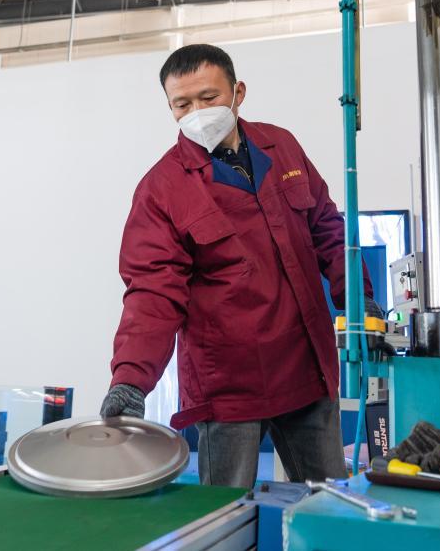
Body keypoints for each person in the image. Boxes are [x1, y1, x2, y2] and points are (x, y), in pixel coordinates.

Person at [100, 44, 383, 488]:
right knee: (226, 513)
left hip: (306, 371)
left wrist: (360, 300)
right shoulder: (161, 189)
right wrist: (131, 380)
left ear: (238, 92)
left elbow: (328, 229)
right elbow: (153, 290)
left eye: (208, 97)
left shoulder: (282, 147)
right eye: (182, 104)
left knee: (328, 502)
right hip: (228, 387)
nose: (197, 112)